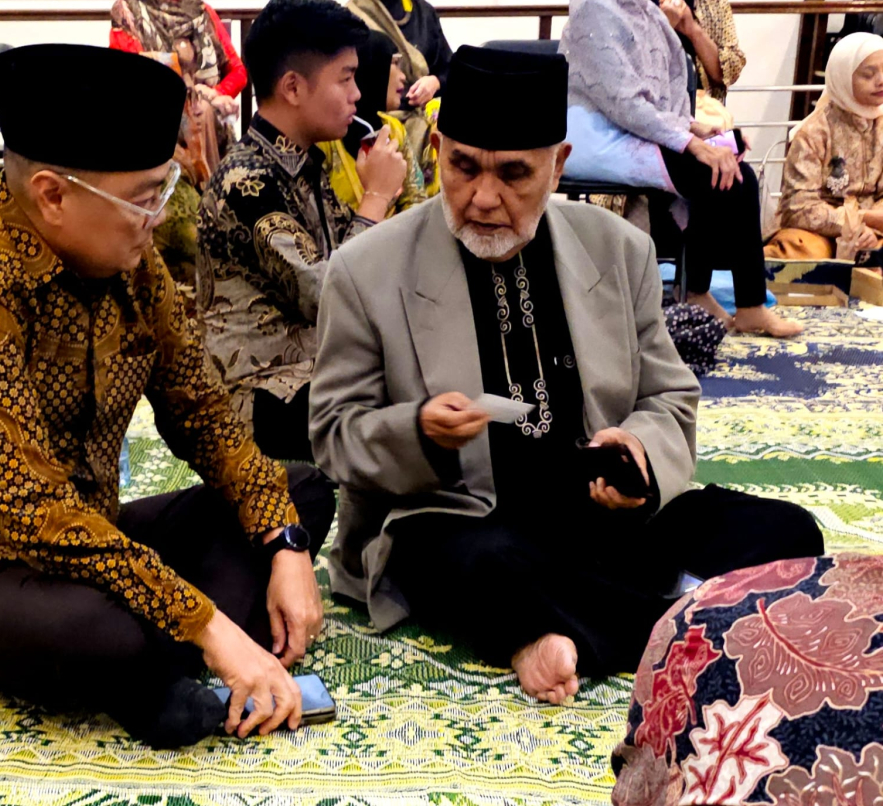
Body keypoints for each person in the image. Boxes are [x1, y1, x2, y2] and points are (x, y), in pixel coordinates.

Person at [0, 44, 335, 750]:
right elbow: (34, 510)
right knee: (103, 632)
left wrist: (285, 543)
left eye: (162, 191)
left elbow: (200, 412)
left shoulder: (127, 256)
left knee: (300, 493)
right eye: (144, 199)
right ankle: (165, 658)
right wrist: (207, 624)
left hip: (87, 532)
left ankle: (159, 670)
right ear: (52, 195)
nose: (158, 218)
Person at [309, 44, 824, 706]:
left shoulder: (618, 250)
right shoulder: (367, 269)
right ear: (436, 149)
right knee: (467, 562)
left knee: (789, 531)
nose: (483, 197)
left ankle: (561, 630)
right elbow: (333, 434)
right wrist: (419, 430)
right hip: (463, 518)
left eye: (513, 174)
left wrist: (639, 452)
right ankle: (684, 615)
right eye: (463, 167)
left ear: (558, 165)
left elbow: (667, 395)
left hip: (604, 524)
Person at [559, 0, 801, 337]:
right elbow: (624, 103)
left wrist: (697, 128)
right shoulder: (595, 9)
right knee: (721, 173)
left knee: (734, 165)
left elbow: (656, 94)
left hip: (636, 127)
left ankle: (731, 300)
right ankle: (709, 294)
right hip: (600, 136)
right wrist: (690, 141)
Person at [197, 0, 406, 461]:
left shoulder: (302, 162)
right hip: (260, 390)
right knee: (408, 413)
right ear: (293, 87)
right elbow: (329, 296)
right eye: (346, 79)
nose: (357, 94)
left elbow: (356, 266)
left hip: (313, 372)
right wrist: (375, 199)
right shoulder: (248, 181)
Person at [110, 0, 246, 288]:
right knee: (190, 236)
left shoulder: (202, 11)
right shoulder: (128, 11)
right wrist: (197, 92)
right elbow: (132, 75)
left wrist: (217, 95)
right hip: (160, 140)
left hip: (212, 135)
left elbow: (236, 71)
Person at [343, 0, 453, 188]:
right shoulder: (352, 18)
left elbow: (450, 68)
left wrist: (434, 82)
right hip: (380, 125)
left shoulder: (423, 12)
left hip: (429, 119)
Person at [765, 32, 883, 260]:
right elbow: (798, 207)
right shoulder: (813, 132)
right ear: (843, 77)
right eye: (868, 74)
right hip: (817, 233)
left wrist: (870, 225)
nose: (880, 81)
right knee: (800, 251)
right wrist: (852, 223)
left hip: (873, 231)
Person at [318, 29, 433, 217]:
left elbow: (415, 201)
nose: (403, 76)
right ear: (371, 68)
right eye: (394, 63)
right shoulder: (326, 139)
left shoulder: (392, 129)